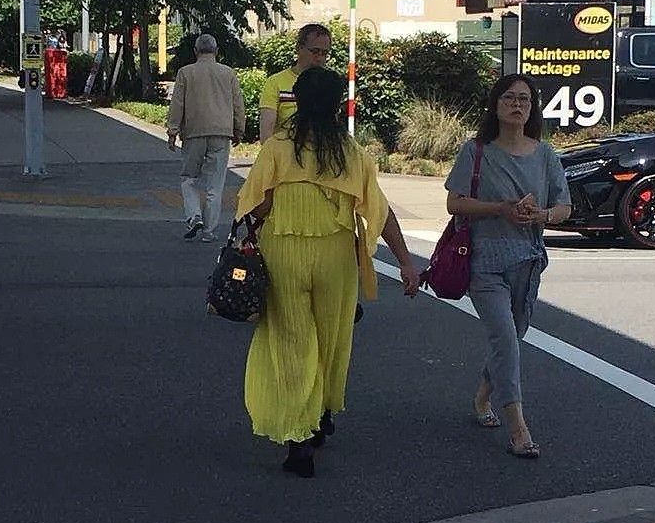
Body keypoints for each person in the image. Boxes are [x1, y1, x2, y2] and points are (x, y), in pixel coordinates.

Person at [237, 66, 421, 478]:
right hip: (337, 259)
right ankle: (320, 412)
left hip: (283, 254)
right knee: (331, 339)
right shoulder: (351, 153)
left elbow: (256, 207)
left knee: (292, 342)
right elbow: (379, 212)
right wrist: (407, 262)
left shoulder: (277, 149)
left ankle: (299, 437)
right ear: (339, 106)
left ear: (296, 103)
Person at [444, 73, 572, 460]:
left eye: (525, 100)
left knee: (512, 338)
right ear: (496, 105)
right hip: (484, 263)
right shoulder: (477, 151)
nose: (518, 105)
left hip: (528, 262)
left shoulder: (546, 154)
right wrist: (499, 209)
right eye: (510, 98)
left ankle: (483, 397)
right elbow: (455, 203)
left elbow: (564, 208)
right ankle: (518, 426)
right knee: (504, 337)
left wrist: (542, 214)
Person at [166, 33, 246, 242]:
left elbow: (178, 103)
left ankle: (194, 216)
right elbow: (238, 104)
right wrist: (239, 129)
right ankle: (209, 232)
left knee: (189, 178)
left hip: (193, 132)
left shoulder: (185, 73)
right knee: (215, 185)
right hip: (222, 133)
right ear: (216, 51)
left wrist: (173, 130)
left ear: (195, 51)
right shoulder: (228, 73)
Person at [258, 23, 332, 143]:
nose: (319, 58)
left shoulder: (328, 84)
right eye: (315, 51)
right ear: (298, 48)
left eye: (324, 53)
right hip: (286, 155)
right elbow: (266, 132)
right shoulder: (275, 83)